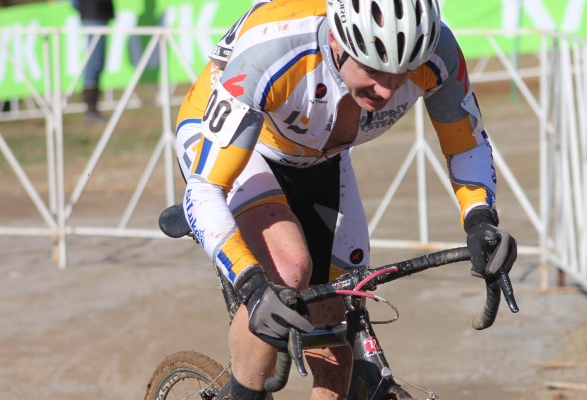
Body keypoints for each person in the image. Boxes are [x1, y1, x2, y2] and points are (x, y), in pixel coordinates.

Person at [175, 0, 517, 398]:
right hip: (241, 150)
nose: (387, 90)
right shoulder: (273, 51)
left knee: (337, 327)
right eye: (373, 69)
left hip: (321, 155)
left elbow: (466, 144)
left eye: (402, 72)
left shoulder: (435, 51)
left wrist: (479, 219)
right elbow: (204, 189)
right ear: (337, 41)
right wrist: (251, 283)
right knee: (287, 272)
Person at [72, 0, 114, 123]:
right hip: (94, 14)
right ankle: (91, 111)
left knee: (95, 63)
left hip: (95, 14)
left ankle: (92, 110)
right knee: (94, 63)